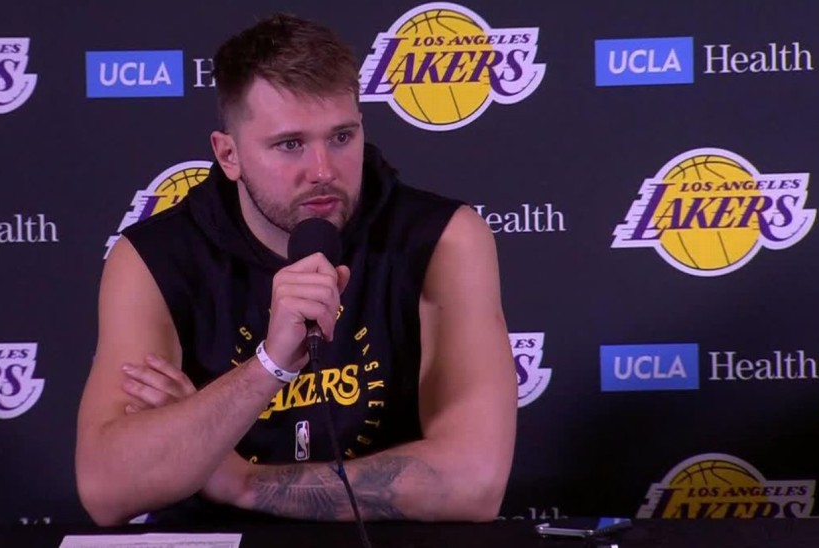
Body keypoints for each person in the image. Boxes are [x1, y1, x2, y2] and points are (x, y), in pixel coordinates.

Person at [75, 12, 516, 526]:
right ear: (229, 154)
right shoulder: (155, 258)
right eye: (290, 144)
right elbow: (107, 489)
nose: (323, 171)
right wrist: (270, 365)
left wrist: (238, 481)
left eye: (342, 137)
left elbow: (475, 483)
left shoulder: (441, 239)